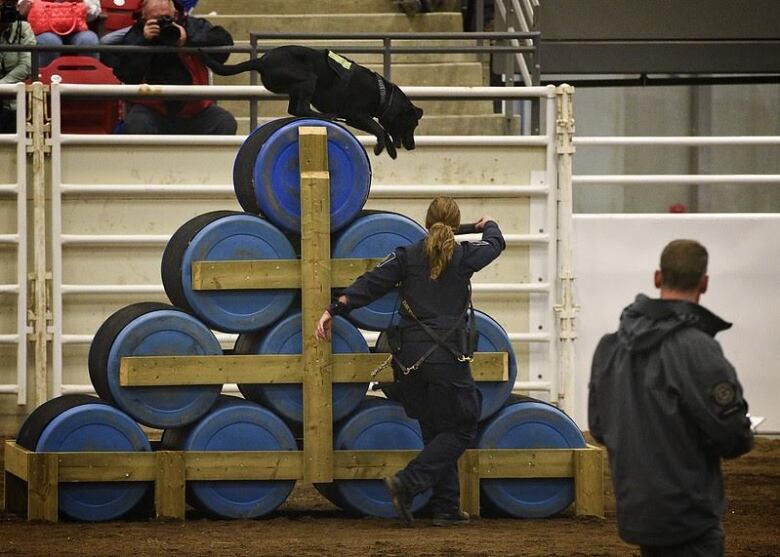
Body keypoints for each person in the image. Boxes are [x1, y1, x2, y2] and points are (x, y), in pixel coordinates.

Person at [315, 197, 505, 526]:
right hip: (446, 357)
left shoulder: (407, 256)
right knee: (462, 428)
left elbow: (371, 283)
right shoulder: (464, 256)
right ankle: (408, 482)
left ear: (427, 222)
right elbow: (496, 242)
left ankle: (446, 508)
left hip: (410, 359)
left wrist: (335, 308)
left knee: (435, 430)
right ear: (455, 225)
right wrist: (484, 223)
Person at [589, 239, 754, 556]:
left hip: (639, 514)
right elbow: (734, 437)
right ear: (703, 283)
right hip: (689, 516)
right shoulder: (699, 348)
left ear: (657, 278)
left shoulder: (610, 347)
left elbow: (599, 426)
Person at [110, 0, 236, 135]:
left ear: (175, 14)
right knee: (136, 124)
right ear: (144, 18)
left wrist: (188, 39)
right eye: (155, 19)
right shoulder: (137, 33)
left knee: (224, 122)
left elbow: (224, 44)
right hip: (153, 111)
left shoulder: (191, 25)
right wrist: (144, 43)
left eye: (166, 18)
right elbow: (126, 75)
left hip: (195, 111)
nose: (162, 24)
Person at [17, 0, 100, 68]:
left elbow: (95, 12)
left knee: (89, 40)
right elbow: (21, 10)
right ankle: (41, 80)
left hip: (77, 28)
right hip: (44, 29)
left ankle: (89, 81)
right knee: (49, 42)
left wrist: (84, 5)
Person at [0, 0, 35, 132]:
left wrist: (1, 86)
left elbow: (27, 64)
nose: (7, 8)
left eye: (11, 3)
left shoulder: (23, 28)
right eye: (3, 4)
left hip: (12, 101)